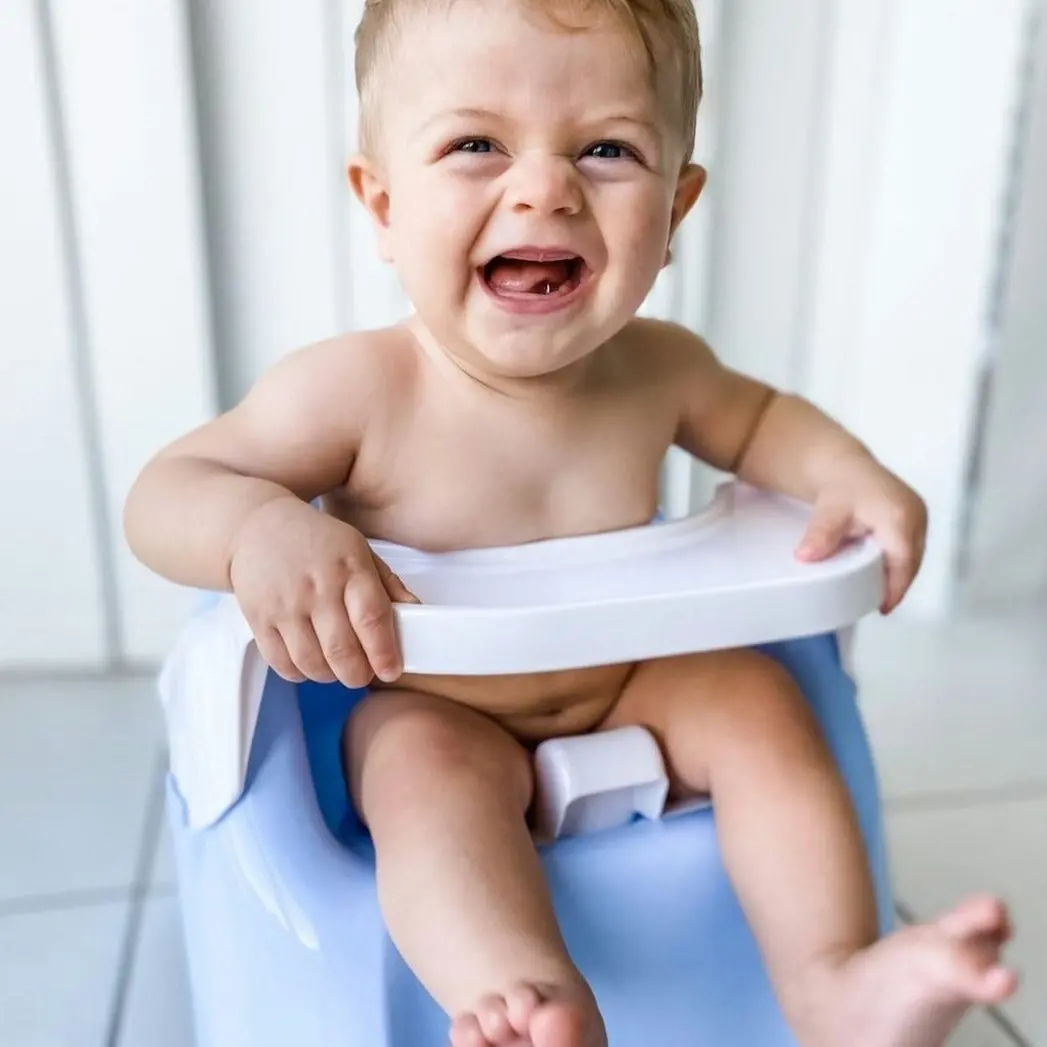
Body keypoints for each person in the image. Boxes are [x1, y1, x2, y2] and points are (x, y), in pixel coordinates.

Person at [125, 1, 1017, 1044]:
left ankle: (832, 983)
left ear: (676, 208)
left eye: (606, 149)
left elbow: (767, 423)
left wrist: (848, 472)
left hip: (634, 681)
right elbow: (171, 488)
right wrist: (255, 530)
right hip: (438, 702)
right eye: (474, 145)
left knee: (766, 707)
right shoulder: (355, 392)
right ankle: (528, 997)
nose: (544, 187)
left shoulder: (663, 369)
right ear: (381, 203)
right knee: (419, 777)